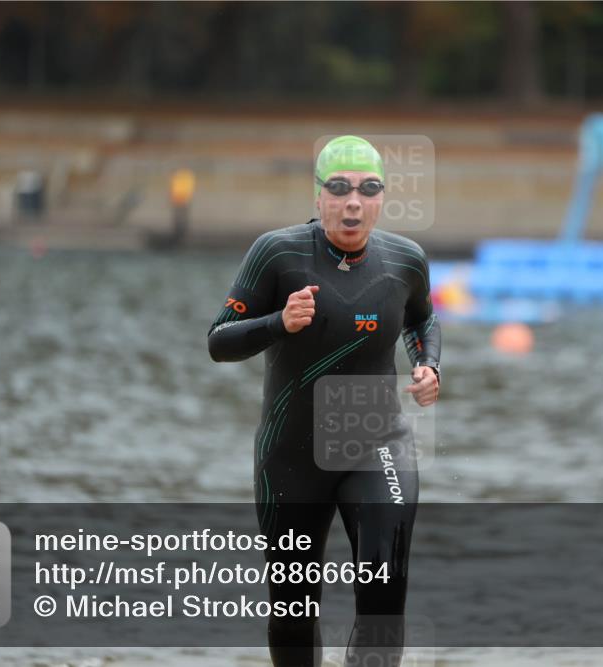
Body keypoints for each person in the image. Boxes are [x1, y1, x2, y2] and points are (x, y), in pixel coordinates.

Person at [207, 135, 441, 666]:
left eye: (368, 189)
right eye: (339, 188)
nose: (353, 202)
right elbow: (219, 341)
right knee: (293, 611)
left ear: (383, 198)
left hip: (378, 446)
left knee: (384, 597)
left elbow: (422, 319)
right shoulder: (277, 254)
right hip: (291, 456)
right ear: (318, 196)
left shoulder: (406, 260)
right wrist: (279, 322)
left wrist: (428, 365)